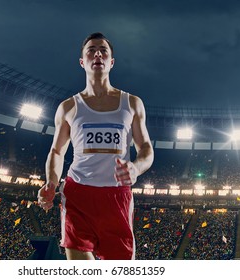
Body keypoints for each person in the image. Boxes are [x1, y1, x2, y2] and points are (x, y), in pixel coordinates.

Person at [37, 32, 154, 260]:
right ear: (82, 62)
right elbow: (57, 151)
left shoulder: (132, 103)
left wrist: (136, 168)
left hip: (116, 196)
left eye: (103, 50)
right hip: (78, 194)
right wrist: (51, 181)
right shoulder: (68, 107)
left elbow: (146, 149)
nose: (97, 53)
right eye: (91, 50)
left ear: (111, 62)